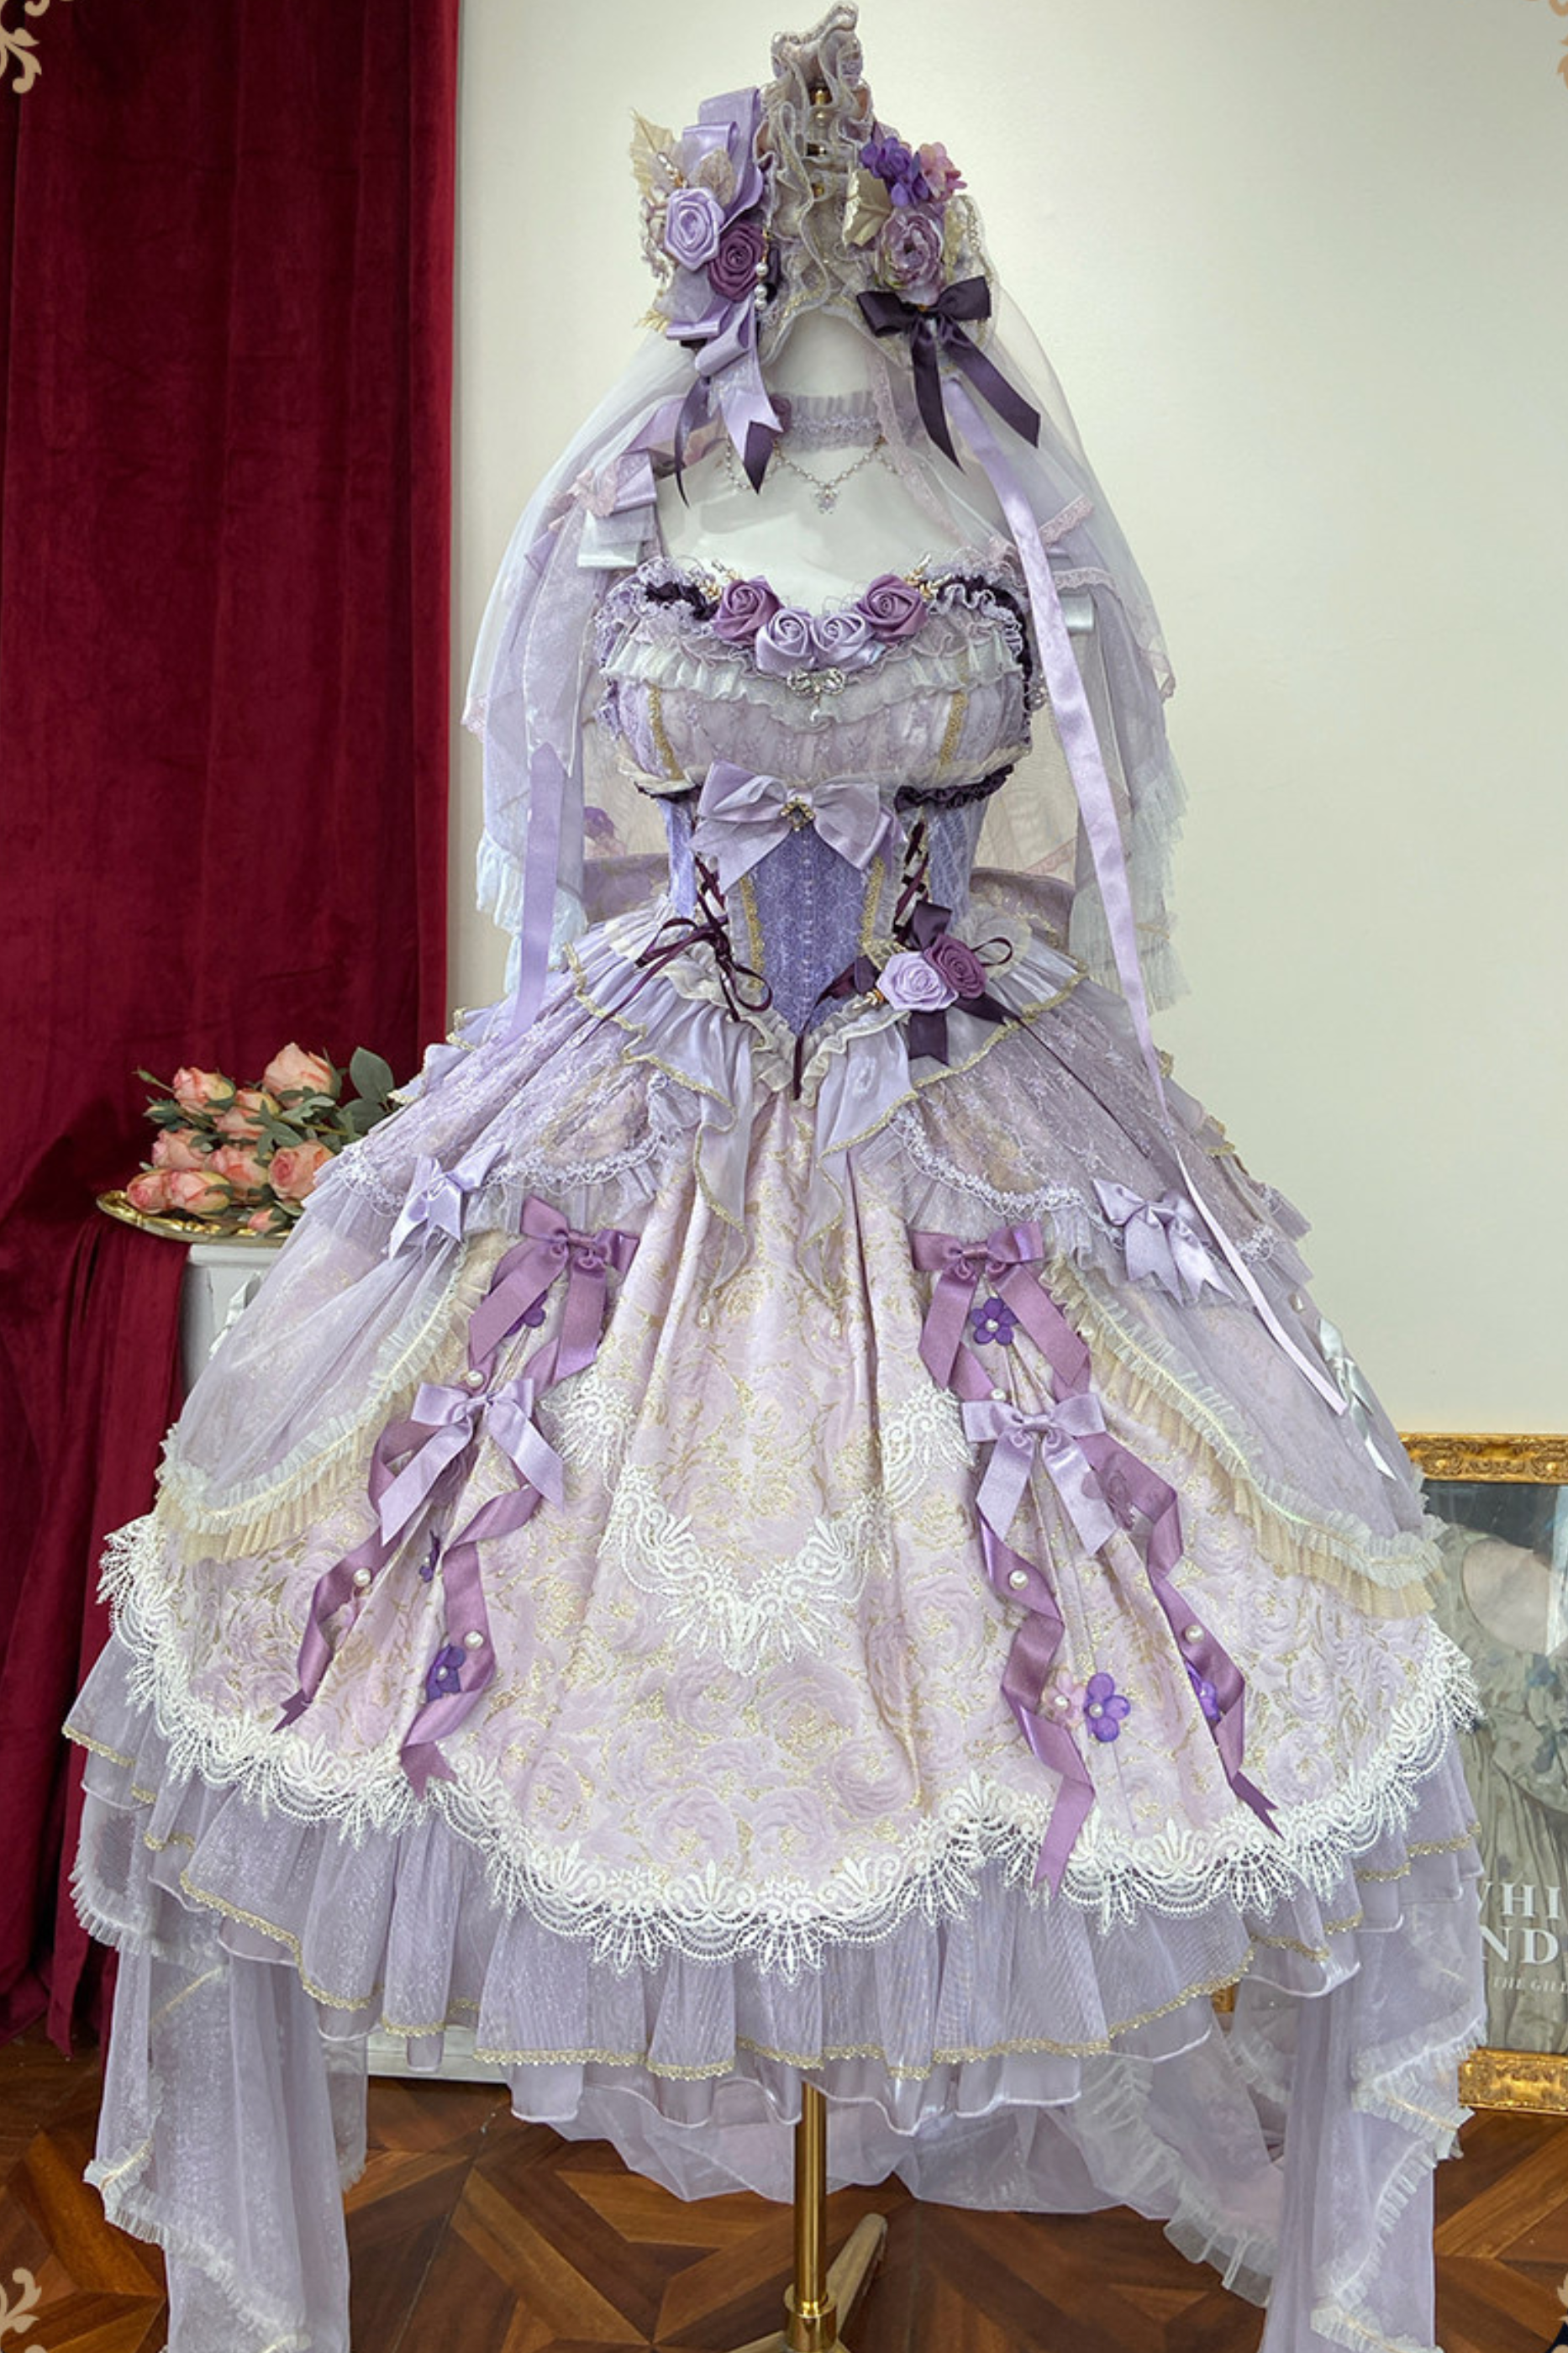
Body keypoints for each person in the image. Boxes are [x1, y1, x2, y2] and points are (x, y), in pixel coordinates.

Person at [69, 11, 1483, 2349]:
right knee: (497, 1625)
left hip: (963, 1108)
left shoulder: (992, 527)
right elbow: (564, 847)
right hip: (656, 1097)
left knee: (1045, 1638)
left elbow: (1067, 859)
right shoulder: (641, 514)